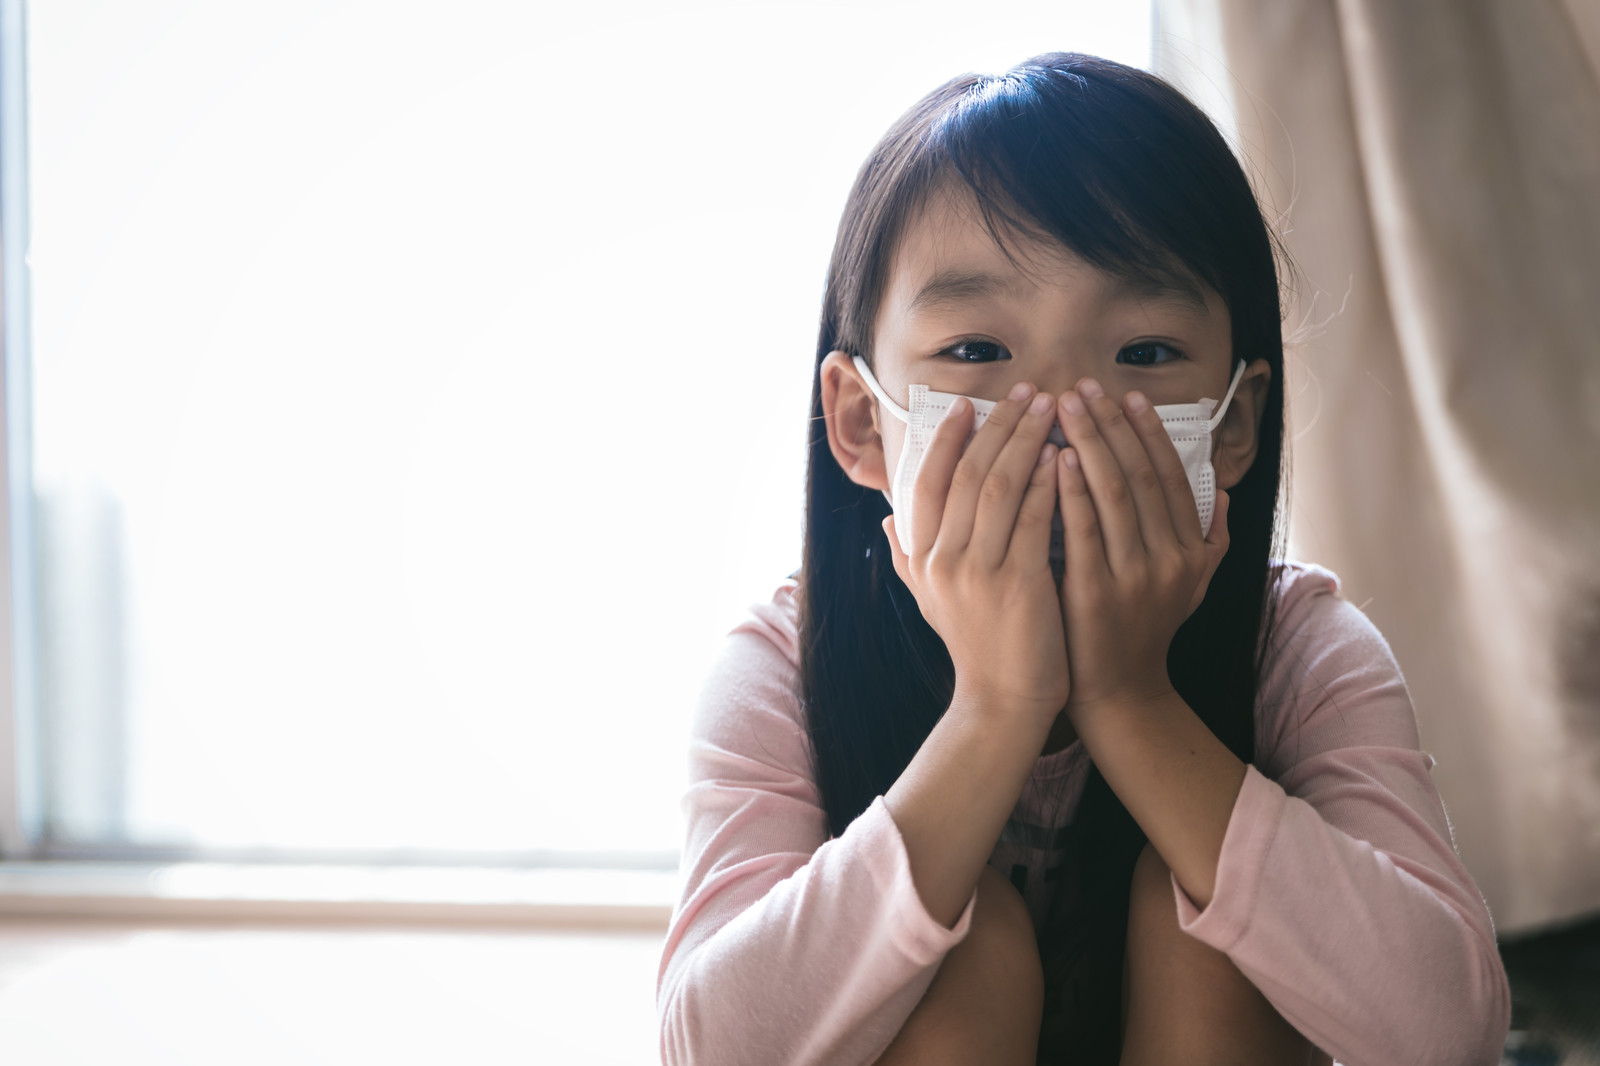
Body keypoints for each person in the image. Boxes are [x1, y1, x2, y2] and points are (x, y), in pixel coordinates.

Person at [655, 52, 1511, 1066]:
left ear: (1233, 425)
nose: (1060, 416)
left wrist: (1130, 699)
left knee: (1201, 929)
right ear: (860, 423)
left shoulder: (1299, 649)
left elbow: (1446, 1029)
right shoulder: (782, 666)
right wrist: (994, 711)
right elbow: (711, 1047)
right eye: (977, 351)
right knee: (957, 946)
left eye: (1142, 354)